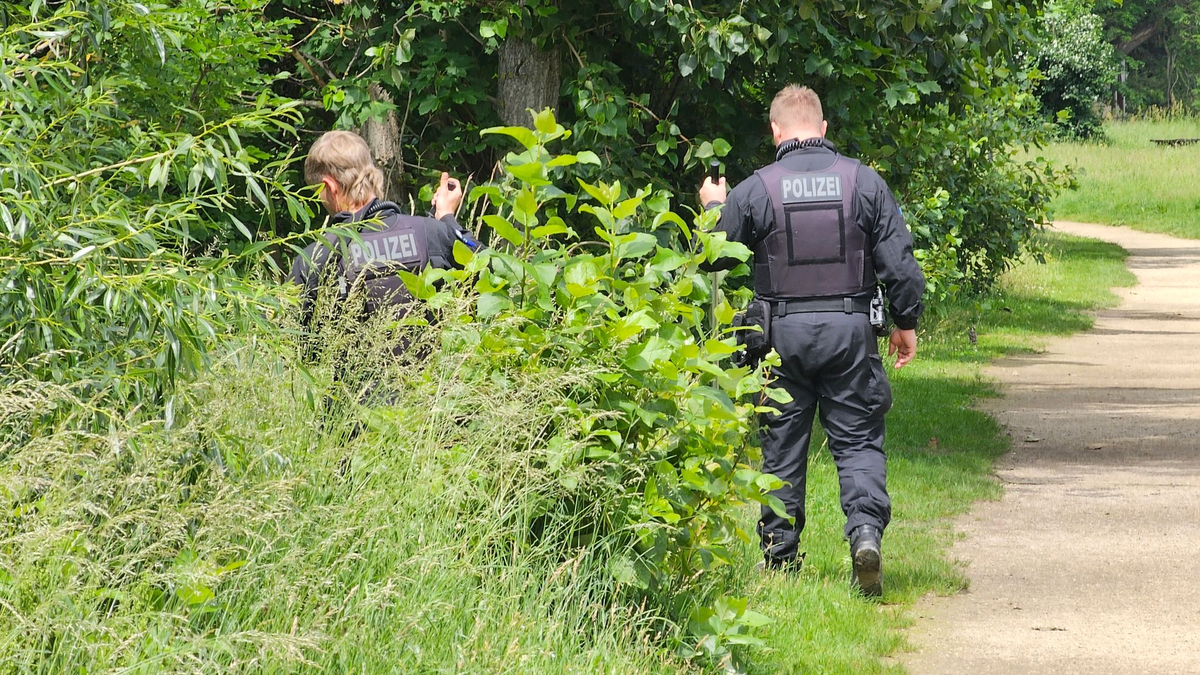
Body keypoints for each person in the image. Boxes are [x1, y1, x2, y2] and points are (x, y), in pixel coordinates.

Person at [698, 85, 925, 597]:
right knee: (859, 442)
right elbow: (901, 266)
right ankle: (865, 536)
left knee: (780, 447)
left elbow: (713, 256)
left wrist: (714, 206)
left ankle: (779, 561)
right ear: (822, 130)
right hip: (850, 333)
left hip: (780, 336)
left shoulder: (755, 189)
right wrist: (904, 322)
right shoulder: (863, 182)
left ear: (776, 132)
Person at [287, 130, 477, 336]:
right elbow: (491, 270)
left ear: (330, 187)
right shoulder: (431, 232)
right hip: (439, 368)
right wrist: (448, 220)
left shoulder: (315, 257)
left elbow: (289, 342)